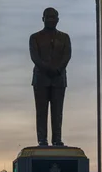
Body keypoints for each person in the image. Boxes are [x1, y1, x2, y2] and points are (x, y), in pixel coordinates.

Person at [29, 8, 72, 146]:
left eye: (53, 17)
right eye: (48, 17)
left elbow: (67, 55)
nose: (51, 20)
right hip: (41, 78)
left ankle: (57, 139)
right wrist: (48, 69)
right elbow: (35, 56)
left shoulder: (64, 37)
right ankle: (42, 139)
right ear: (43, 19)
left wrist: (58, 69)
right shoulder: (35, 37)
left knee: (57, 111)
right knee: (41, 111)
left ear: (58, 19)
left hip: (59, 79)